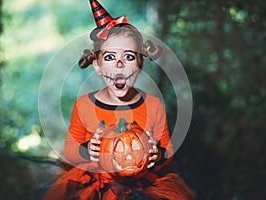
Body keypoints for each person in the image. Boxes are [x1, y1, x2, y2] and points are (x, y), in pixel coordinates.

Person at [43, 0, 196, 199]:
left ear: (140, 64)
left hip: (144, 186)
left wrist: (156, 154)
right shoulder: (84, 105)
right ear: (97, 66)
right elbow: (70, 151)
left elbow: (168, 151)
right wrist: (89, 149)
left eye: (129, 57)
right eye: (109, 58)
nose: (120, 64)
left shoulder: (153, 105)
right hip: (97, 186)